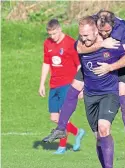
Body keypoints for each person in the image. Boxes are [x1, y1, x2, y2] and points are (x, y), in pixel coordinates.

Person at [42, 11, 125, 155]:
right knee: (74, 89)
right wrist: (102, 44)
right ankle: (61, 128)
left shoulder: (122, 30)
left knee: (124, 98)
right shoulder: (91, 26)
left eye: (107, 32)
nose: (104, 34)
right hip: (94, 65)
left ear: (112, 26)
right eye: (101, 31)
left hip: (121, 65)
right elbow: (79, 48)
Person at [77, 15, 125, 168]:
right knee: (98, 137)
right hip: (90, 95)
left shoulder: (112, 44)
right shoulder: (81, 45)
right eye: (81, 35)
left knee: (104, 128)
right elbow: (79, 63)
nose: (83, 38)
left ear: (96, 32)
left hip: (109, 93)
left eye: (86, 35)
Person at [39, 19, 85, 154]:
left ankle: (62, 147)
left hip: (68, 85)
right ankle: (78, 132)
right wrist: (42, 83)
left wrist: (81, 86)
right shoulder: (47, 43)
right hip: (54, 85)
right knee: (54, 117)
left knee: (64, 117)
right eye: (50, 34)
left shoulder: (71, 43)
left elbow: (79, 65)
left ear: (60, 29)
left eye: (54, 33)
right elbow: (46, 63)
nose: (52, 36)